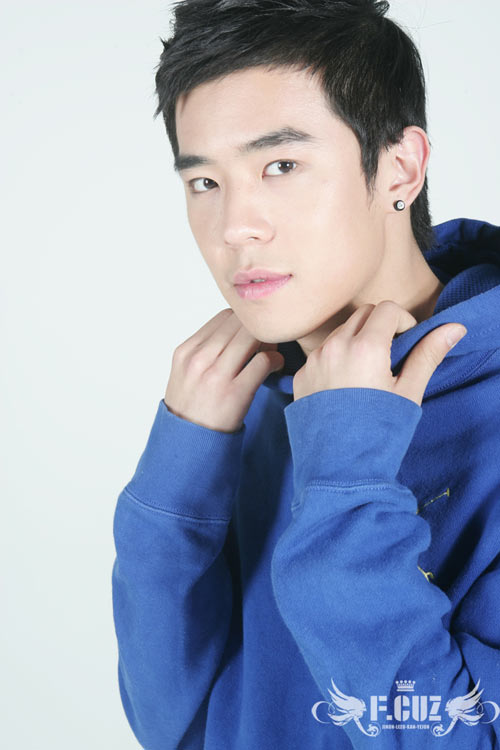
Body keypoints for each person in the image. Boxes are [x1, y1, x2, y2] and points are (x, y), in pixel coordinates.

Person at [111, 1, 500, 747]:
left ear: (400, 166)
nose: (235, 227)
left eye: (281, 166)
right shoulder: (244, 400)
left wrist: (348, 480)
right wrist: (173, 496)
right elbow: (178, 731)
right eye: (204, 182)